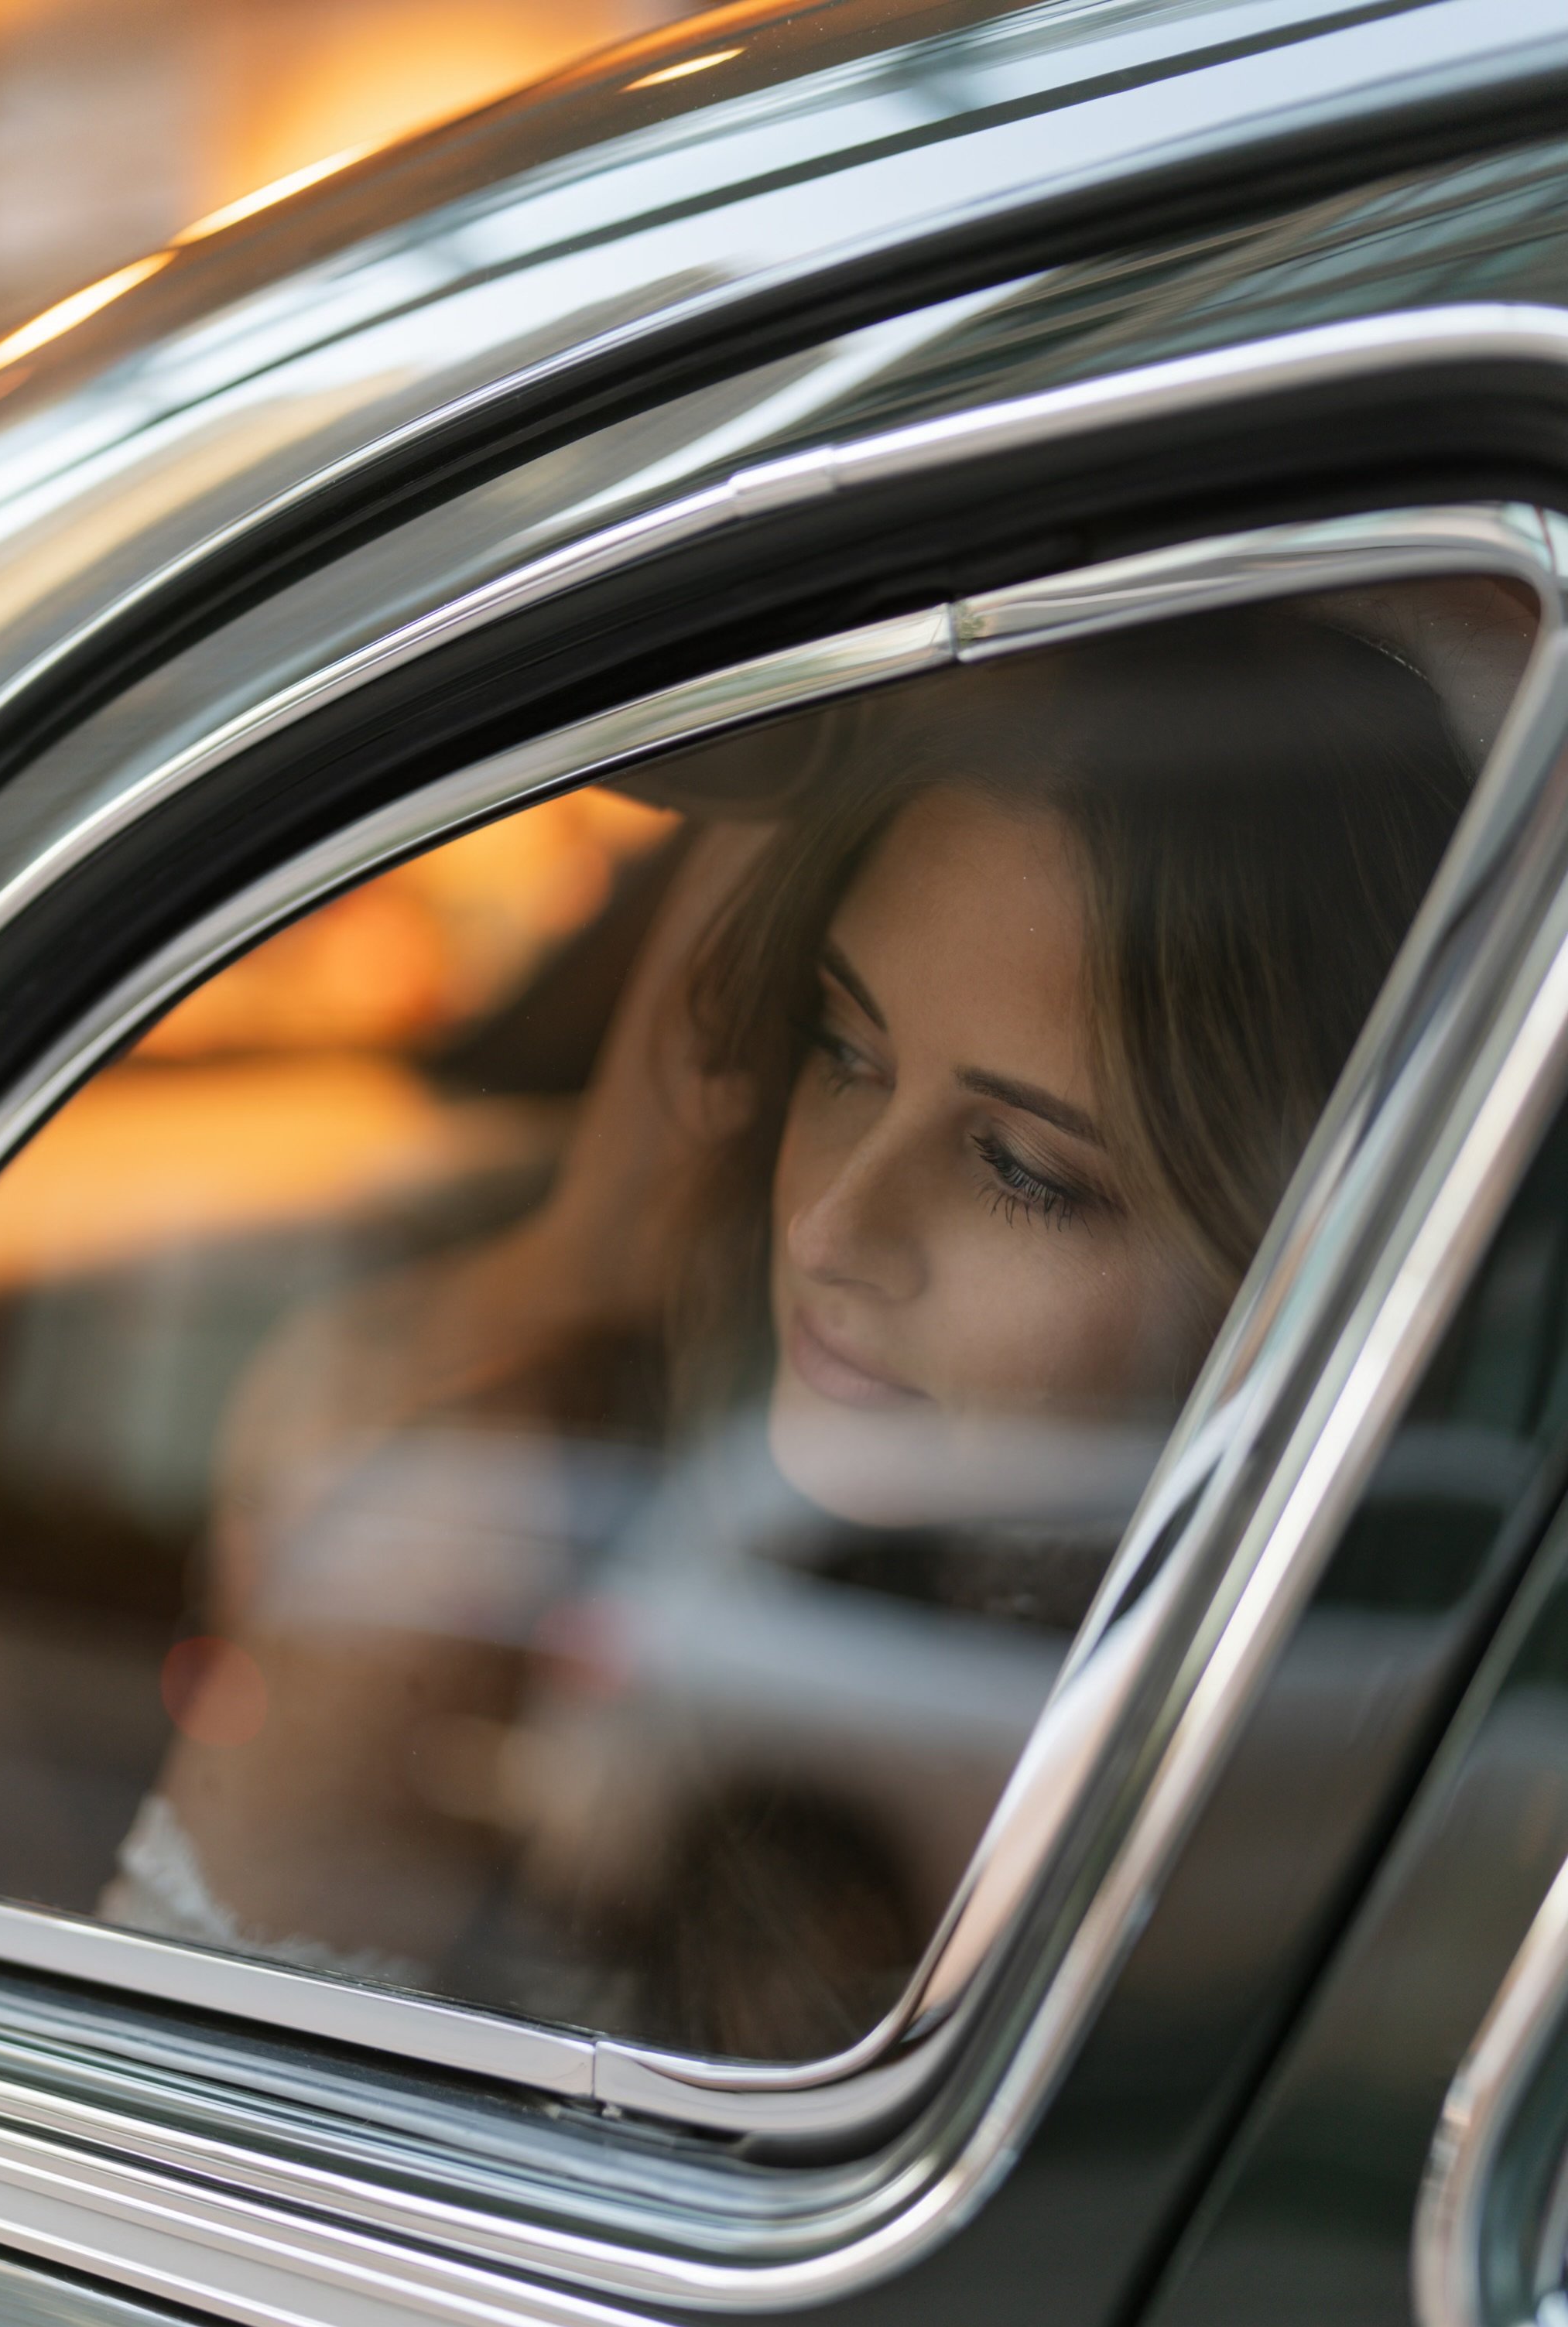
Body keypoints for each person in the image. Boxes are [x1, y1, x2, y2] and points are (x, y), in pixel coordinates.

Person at [101, 602, 1472, 2055]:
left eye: (1024, 1170)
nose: (830, 1227)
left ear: (1310, 1271)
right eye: (844, 1053)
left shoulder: (1388, 1788)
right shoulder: (539, 1554)